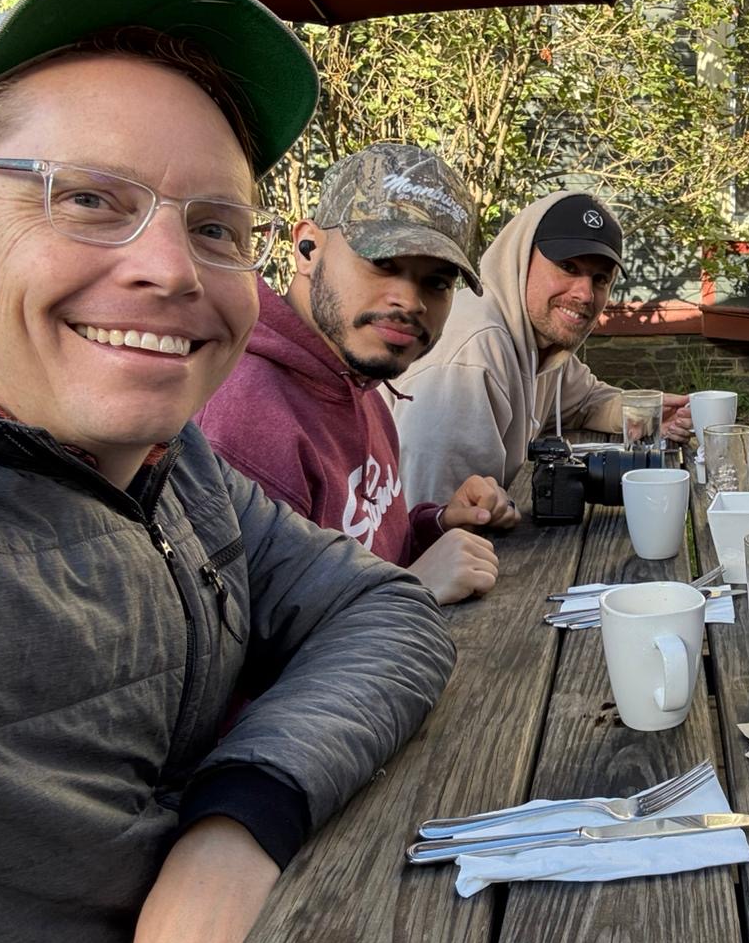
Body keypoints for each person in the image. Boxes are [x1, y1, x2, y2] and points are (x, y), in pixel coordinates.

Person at [0, 0, 455, 943]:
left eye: (212, 226)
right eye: (88, 199)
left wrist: (240, 818)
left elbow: (380, 609)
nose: (170, 269)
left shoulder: (173, 463)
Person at [196, 143, 514, 604]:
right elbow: (246, 653)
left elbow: (368, 549)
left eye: (437, 281)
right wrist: (410, 590)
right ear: (307, 249)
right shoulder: (245, 419)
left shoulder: (358, 376)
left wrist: (438, 524)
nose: (409, 300)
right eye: (382, 263)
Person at [391, 190, 692, 502]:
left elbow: (586, 401)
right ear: (520, 258)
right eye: (568, 267)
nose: (585, 294)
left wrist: (644, 416)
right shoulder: (473, 358)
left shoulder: (540, 343)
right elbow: (434, 514)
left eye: (600, 279)